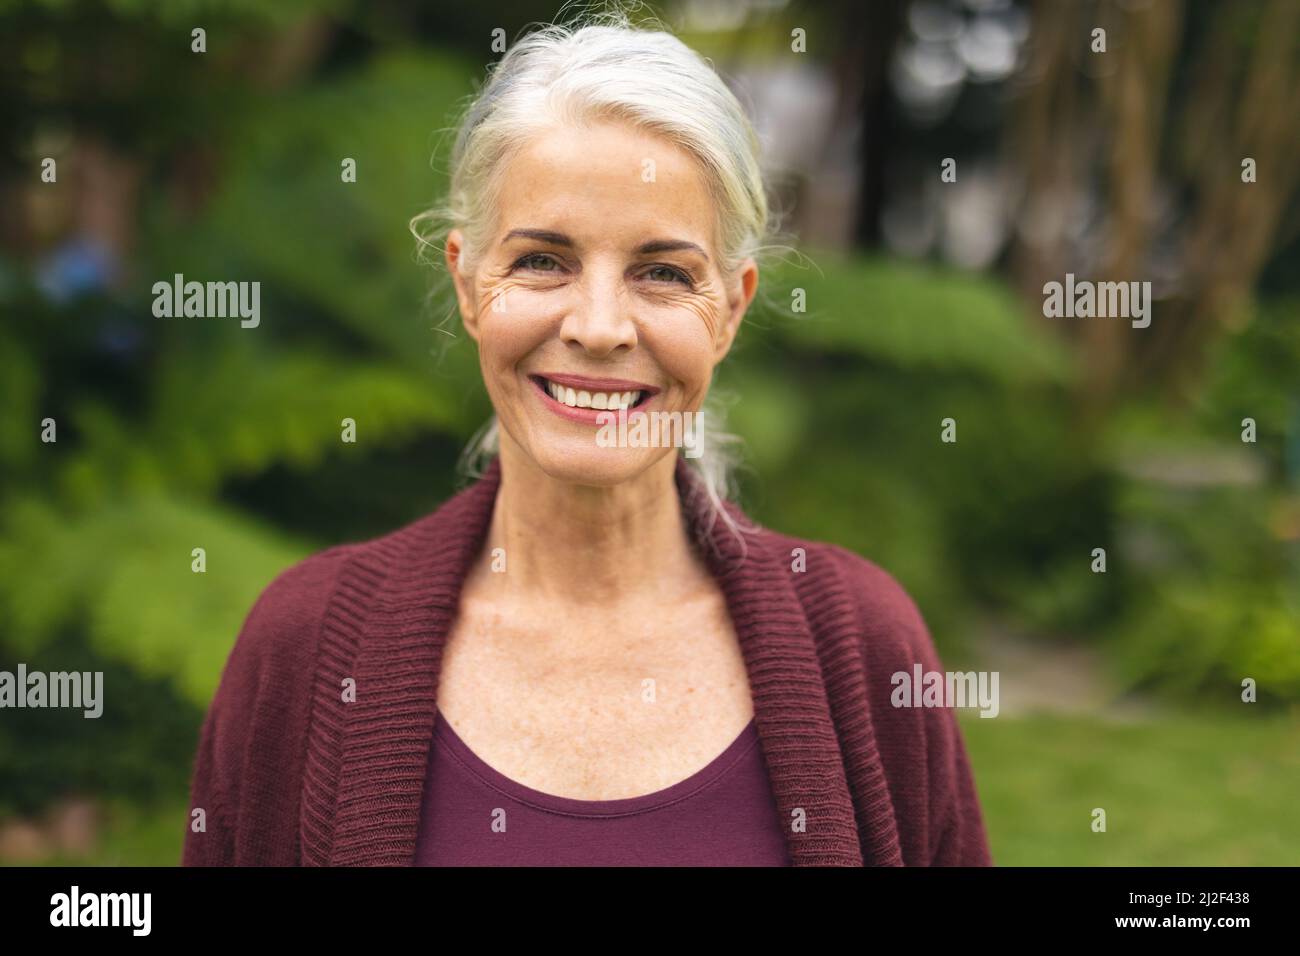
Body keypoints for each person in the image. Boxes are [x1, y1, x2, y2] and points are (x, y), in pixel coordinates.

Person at [182, 8, 992, 867]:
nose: (600, 327)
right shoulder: (304, 651)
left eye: (662, 273)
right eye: (542, 260)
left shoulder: (864, 649)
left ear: (731, 308)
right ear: (466, 281)